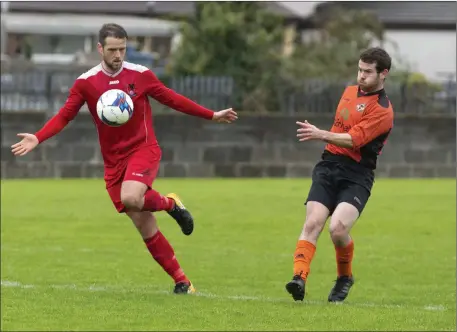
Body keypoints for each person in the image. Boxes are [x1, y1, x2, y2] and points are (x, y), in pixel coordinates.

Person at [11, 23, 238, 295]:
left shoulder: (140, 75)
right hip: (114, 161)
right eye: (112, 50)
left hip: (143, 149)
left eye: (122, 49)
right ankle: (183, 282)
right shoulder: (86, 82)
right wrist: (38, 137)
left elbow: (172, 99)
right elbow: (65, 115)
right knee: (142, 222)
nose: (118, 55)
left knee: (132, 197)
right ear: (100, 49)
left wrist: (211, 115)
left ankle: (169, 205)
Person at [285, 47, 394, 302]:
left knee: (338, 228)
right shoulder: (348, 92)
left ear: (383, 74)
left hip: (357, 174)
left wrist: (320, 133)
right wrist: (325, 139)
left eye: (368, 72)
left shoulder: (382, 110)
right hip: (328, 166)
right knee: (313, 222)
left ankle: (345, 277)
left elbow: (354, 140)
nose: (361, 76)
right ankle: (298, 278)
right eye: (359, 70)